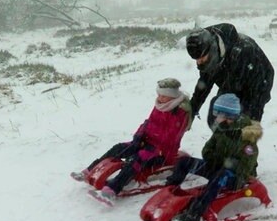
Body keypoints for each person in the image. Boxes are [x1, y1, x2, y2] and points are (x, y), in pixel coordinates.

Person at [71, 78, 192, 208]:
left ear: (172, 96)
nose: (160, 98)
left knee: (137, 159)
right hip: (147, 142)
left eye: (164, 96)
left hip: (162, 150)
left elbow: (171, 137)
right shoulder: (161, 105)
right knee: (119, 148)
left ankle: (112, 190)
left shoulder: (180, 112)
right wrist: (138, 137)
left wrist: (148, 144)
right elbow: (147, 123)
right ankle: (89, 171)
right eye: (159, 95)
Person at [164, 93, 263, 221]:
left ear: (230, 116)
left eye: (218, 114)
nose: (216, 117)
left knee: (220, 175)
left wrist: (226, 163)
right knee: (184, 162)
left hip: (234, 178)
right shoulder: (222, 130)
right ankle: (168, 194)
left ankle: (194, 215)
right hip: (217, 167)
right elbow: (206, 151)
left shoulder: (247, 139)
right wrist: (218, 160)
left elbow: (245, 166)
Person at [185, 22, 274, 127]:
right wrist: (190, 113)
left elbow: (256, 97)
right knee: (219, 115)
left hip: (258, 81)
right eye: (196, 60)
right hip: (229, 80)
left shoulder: (245, 52)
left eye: (202, 59)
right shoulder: (206, 50)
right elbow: (204, 84)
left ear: (212, 49)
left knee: (243, 123)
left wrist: (250, 129)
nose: (199, 63)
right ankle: (222, 138)